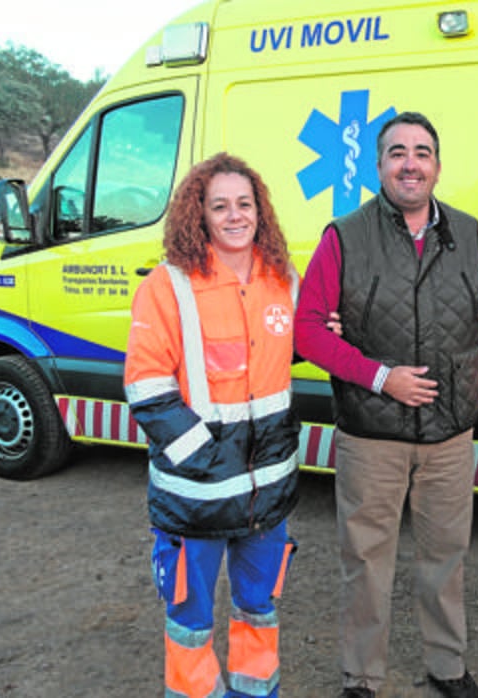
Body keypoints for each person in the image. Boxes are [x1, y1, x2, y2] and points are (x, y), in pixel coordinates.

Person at [294, 111, 478, 698]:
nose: (411, 163)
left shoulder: (469, 231)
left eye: (422, 152)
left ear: (437, 164)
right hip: (370, 436)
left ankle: (448, 667)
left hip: (450, 436)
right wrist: (381, 378)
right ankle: (361, 677)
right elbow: (307, 331)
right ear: (378, 165)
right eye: (398, 152)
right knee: (366, 562)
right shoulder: (344, 236)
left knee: (447, 558)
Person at [124, 152, 301, 698]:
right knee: (190, 623)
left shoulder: (282, 279)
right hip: (194, 495)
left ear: (260, 211)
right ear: (197, 213)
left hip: (266, 495)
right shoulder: (168, 285)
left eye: (244, 204)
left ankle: (256, 692)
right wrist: (206, 457)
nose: (233, 216)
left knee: (258, 611)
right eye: (219, 205)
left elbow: (286, 358)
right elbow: (146, 385)